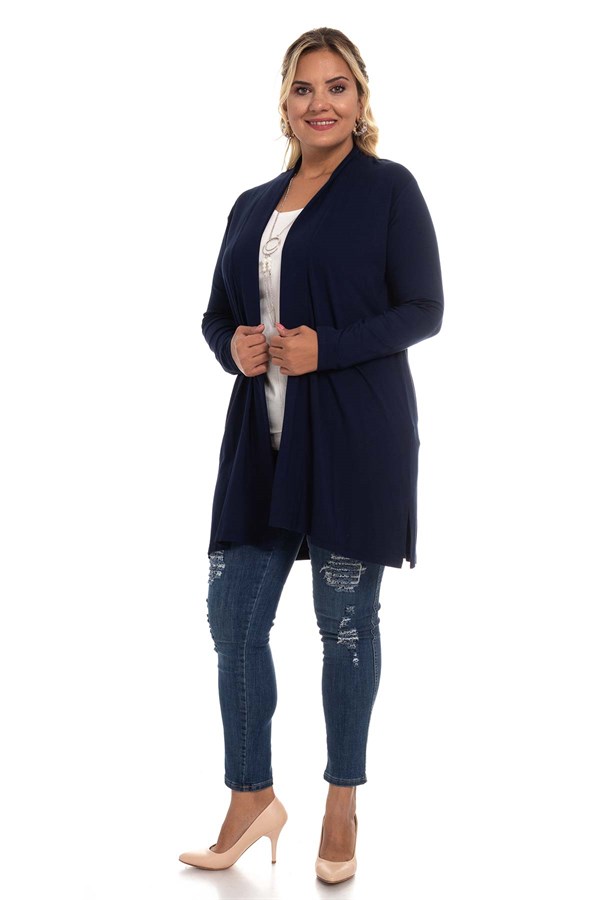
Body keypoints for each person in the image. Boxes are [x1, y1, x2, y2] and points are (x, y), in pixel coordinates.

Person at [179, 26, 444, 885]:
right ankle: (251, 795)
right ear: (284, 103)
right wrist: (233, 348)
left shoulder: (388, 190)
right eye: (304, 88)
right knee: (232, 617)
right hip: (260, 444)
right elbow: (216, 314)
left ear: (360, 100)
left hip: (354, 439)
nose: (319, 103)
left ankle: (341, 798)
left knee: (344, 623)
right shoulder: (252, 203)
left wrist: (325, 349)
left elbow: (425, 309)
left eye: (336, 87)